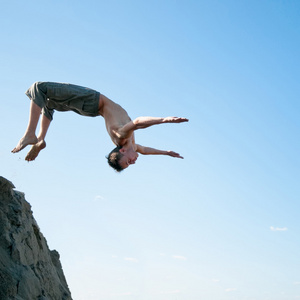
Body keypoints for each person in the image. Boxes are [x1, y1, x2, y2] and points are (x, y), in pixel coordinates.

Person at [12, 82, 188, 171]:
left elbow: (137, 122)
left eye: (128, 162)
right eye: (129, 164)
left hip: (92, 101)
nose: (133, 162)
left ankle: (30, 134)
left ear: (122, 151)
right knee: (48, 103)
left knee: (38, 88)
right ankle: (40, 139)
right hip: (90, 109)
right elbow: (146, 150)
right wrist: (166, 153)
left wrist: (164, 120)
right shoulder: (132, 146)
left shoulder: (121, 137)